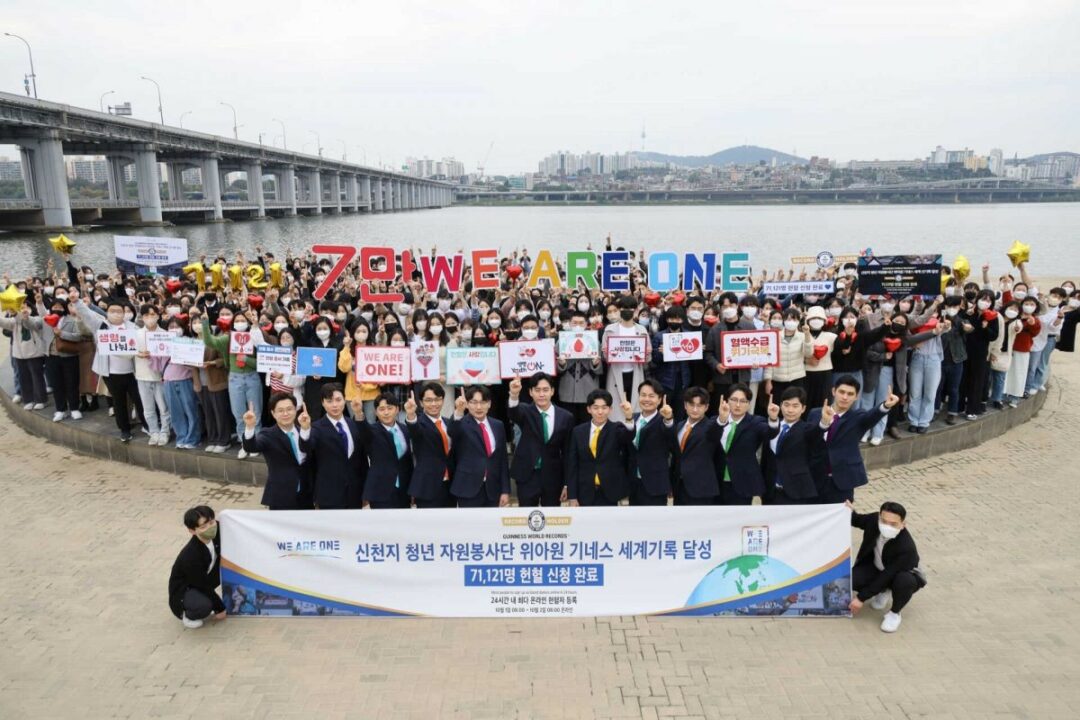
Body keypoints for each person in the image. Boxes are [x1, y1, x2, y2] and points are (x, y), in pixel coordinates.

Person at [808, 375, 900, 503]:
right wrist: (823, 423)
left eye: (850, 394)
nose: (845, 397)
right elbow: (809, 441)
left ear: (856, 397)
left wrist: (885, 406)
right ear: (834, 391)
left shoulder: (857, 417)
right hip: (815, 478)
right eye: (842, 392)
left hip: (842, 481)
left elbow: (871, 416)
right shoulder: (815, 414)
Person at [848, 500, 924, 634]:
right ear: (879, 517)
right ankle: (883, 590)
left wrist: (861, 598)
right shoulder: (873, 520)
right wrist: (846, 510)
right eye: (884, 521)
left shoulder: (906, 548)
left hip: (900, 575)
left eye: (893, 524)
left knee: (904, 582)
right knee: (852, 579)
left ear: (903, 524)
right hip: (877, 567)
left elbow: (889, 574)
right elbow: (856, 520)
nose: (887, 526)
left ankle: (894, 614)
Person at [507, 372, 575, 506]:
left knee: (551, 516)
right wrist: (514, 395)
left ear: (552, 391)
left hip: (553, 476)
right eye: (537, 390)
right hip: (527, 475)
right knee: (527, 516)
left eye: (545, 390)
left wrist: (567, 483)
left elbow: (567, 452)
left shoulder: (566, 417)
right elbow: (513, 412)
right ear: (531, 392)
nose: (541, 394)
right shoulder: (525, 411)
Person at [299, 383, 365, 509]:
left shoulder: (353, 424)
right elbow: (306, 447)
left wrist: (365, 491)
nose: (334, 405)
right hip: (328, 495)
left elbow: (362, 460)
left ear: (344, 400)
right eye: (329, 401)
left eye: (338, 400)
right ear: (322, 403)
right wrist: (305, 428)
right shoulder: (316, 427)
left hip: (354, 494)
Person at [242, 392, 310, 510]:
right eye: (280, 410)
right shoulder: (268, 435)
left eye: (289, 409)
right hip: (281, 496)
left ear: (296, 410)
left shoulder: (304, 431)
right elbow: (251, 447)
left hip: (306, 494)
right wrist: (249, 427)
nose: (285, 414)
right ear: (273, 413)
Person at [566, 389, 631, 506]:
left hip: (610, 492)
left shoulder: (617, 429)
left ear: (610, 409)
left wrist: (629, 418)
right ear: (588, 409)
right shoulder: (578, 431)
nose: (600, 412)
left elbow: (629, 436)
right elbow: (572, 465)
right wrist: (572, 495)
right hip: (584, 492)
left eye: (604, 408)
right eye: (595, 408)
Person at [448, 385, 511, 507]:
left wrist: (505, 490)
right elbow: (452, 431)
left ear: (489, 404)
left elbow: (502, 460)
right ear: (467, 404)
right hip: (468, 489)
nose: (478, 407)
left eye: (483, 402)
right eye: (474, 402)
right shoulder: (461, 423)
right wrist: (459, 411)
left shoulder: (498, 425)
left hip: (493, 489)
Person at [168, 505, 226, 629]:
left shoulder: (217, 531)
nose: (210, 528)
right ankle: (187, 614)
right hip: (184, 590)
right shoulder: (191, 555)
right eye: (203, 527)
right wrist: (220, 608)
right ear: (192, 531)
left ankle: (200, 599)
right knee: (205, 606)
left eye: (211, 522)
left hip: (201, 580)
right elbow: (202, 584)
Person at [762, 386, 823, 504]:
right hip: (770, 491)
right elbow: (765, 459)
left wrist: (824, 422)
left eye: (795, 406)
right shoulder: (771, 426)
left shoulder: (807, 429)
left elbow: (817, 432)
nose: (790, 410)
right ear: (780, 405)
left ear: (803, 408)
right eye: (786, 405)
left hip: (796, 492)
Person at [405, 382, 457, 509]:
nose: (433, 404)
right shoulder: (419, 422)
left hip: (450, 485)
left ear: (443, 400)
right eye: (428, 400)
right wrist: (411, 414)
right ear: (421, 403)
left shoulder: (448, 423)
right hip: (427, 486)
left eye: (437, 399)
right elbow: (414, 430)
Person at [358, 392, 414, 509]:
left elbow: (408, 461)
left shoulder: (405, 430)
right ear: (376, 412)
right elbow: (362, 427)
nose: (386, 412)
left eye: (390, 408)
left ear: (397, 409)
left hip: (404, 490)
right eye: (382, 409)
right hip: (380, 490)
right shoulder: (371, 431)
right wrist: (358, 412)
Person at [625, 379, 676, 506]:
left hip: (655, 485)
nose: (646, 399)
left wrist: (669, 418)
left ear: (659, 400)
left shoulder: (664, 420)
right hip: (633, 484)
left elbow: (671, 436)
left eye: (651, 396)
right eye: (643, 395)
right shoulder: (632, 418)